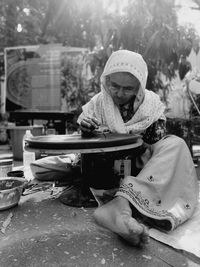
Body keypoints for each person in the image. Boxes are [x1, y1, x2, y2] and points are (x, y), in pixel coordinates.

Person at [30, 50, 198, 248]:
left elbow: (155, 146)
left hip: (140, 166)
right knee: (39, 168)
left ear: (139, 86)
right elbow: (85, 144)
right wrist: (86, 127)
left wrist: (128, 141)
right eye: (114, 86)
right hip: (102, 163)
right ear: (105, 80)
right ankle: (119, 205)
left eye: (128, 88)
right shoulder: (98, 103)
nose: (119, 93)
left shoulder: (151, 105)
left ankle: (120, 205)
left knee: (175, 144)